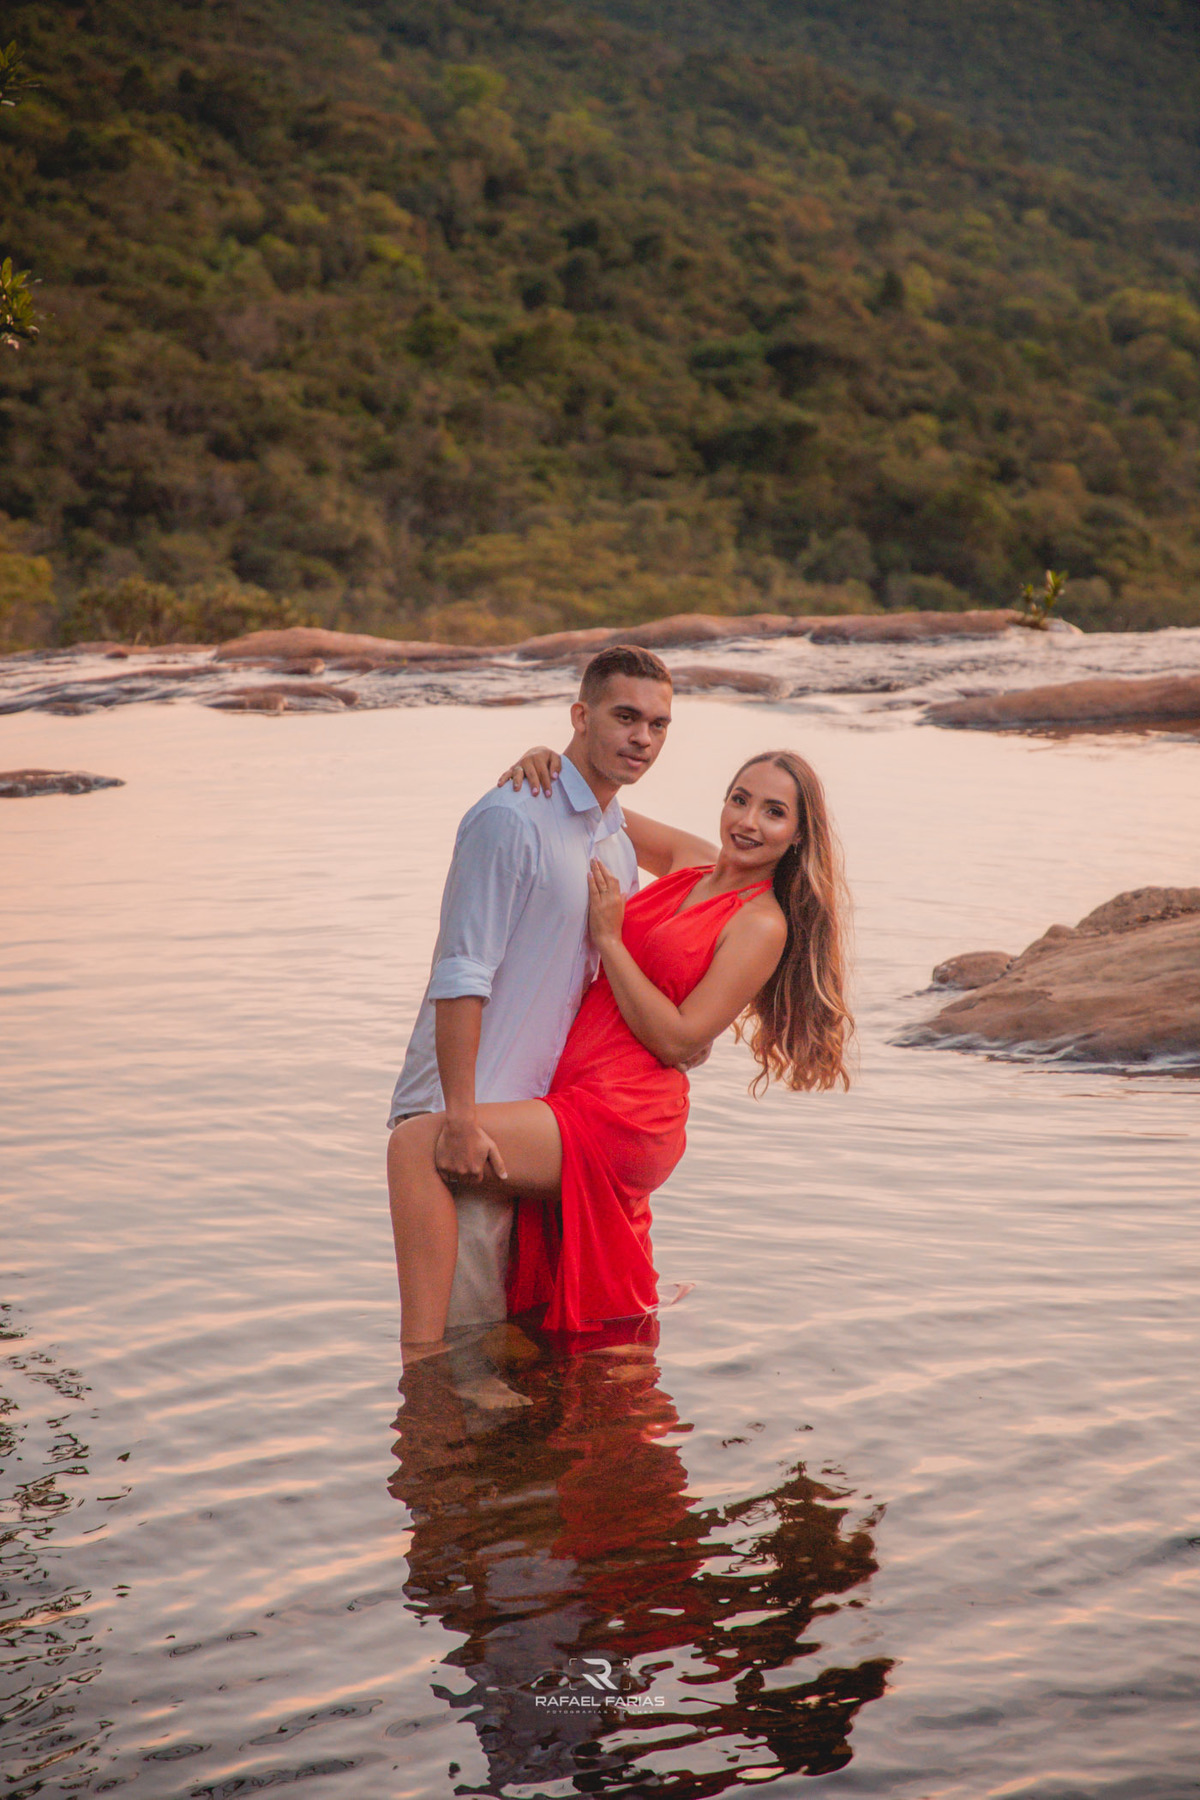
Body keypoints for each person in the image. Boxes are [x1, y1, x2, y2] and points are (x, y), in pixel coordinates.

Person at [388, 741, 852, 1353]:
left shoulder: (762, 924)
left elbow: (680, 1039)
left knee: (415, 1146)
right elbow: (593, 803)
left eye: (773, 812)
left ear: (798, 835)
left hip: (627, 1111)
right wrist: (548, 763)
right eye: (740, 800)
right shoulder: (692, 862)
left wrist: (611, 940)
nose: (748, 821)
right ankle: (499, 1371)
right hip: (579, 1092)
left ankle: (418, 1361)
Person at [387, 644, 688, 1330]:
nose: (642, 737)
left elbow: (714, 866)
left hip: (539, 1126)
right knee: (455, 1351)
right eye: (624, 717)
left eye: (659, 724)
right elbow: (462, 974)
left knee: (510, 1345)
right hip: (463, 1120)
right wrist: (460, 1118)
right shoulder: (511, 817)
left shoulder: (610, 837)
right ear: (580, 717)